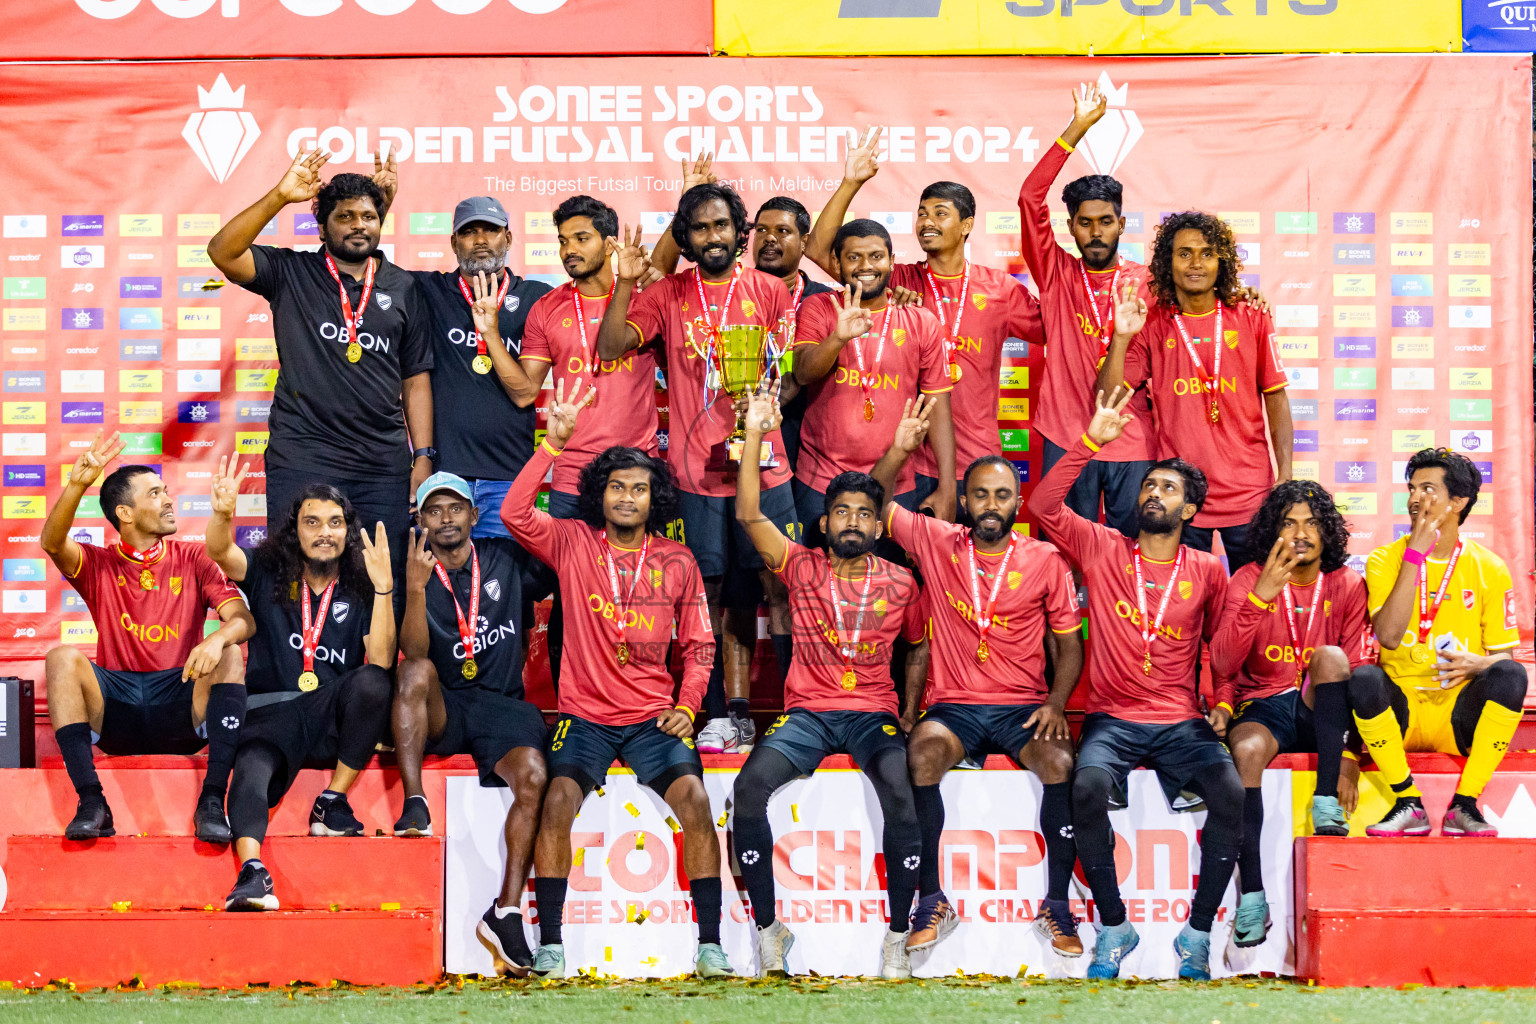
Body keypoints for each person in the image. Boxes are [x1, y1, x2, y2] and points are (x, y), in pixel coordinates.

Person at [501, 379, 734, 979]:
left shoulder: (677, 561)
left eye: (639, 489)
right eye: (617, 487)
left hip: (653, 717)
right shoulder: (573, 542)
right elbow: (513, 512)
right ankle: (550, 942)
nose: (627, 497)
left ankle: (711, 943)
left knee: (698, 803)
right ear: (599, 496)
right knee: (557, 802)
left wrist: (687, 704)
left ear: (654, 499)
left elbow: (701, 644)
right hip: (585, 718)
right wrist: (551, 448)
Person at [1028, 387, 1237, 981]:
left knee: (1229, 792)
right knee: (1086, 788)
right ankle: (1114, 927)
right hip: (1112, 719)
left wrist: (1221, 703)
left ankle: (1197, 933)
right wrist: (1089, 440)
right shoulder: (1101, 545)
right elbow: (1044, 504)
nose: (1153, 493)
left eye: (1168, 488)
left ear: (1190, 511)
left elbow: (1219, 651)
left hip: (1180, 721)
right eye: (1149, 485)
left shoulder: (1205, 570)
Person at [867, 396, 1087, 959]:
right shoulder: (938, 542)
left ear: (1018, 503)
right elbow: (875, 501)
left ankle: (1058, 907)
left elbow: (1068, 644)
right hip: (956, 706)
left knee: (1061, 761)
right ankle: (932, 900)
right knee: (922, 753)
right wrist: (898, 450)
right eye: (981, 495)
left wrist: (1057, 703)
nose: (991, 505)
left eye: (1002, 496)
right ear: (963, 500)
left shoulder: (1044, 559)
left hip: (1023, 708)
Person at [730, 384, 928, 979]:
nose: (852, 521)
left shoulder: (902, 582)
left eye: (865, 513)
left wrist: (911, 711)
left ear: (878, 526)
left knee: (902, 792)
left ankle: (898, 934)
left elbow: (916, 648)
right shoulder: (801, 563)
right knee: (746, 793)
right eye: (842, 511)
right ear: (825, 521)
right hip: (809, 715)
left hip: (872, 714)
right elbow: (747, 513)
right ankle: (770, 931)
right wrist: (758, 435)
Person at [595, 182, 800, 758]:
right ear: (686, 238)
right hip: (693, 474)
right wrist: (629, 283)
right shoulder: (667, 294)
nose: (713, 237)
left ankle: (794, 713)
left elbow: (790, 374)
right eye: (701, 228)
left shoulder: (772, 291)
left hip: (768, 468)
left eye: (722, 226)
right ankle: (714, 712)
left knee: (779, 586)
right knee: (705, 595)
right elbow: (611, 347)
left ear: (741, 232)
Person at [207, 148, 432, 572]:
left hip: (381, 464)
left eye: (368, 216)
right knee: (292, 578)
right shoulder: (291, 273)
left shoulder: (403, 287)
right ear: (323, 226)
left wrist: (423, 456)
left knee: (382, 583)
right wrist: (279, 196)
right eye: (345, 217)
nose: (358, 225)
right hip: (304, 455)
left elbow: (415, 378)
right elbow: (222, 251)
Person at [805, 128, 1041, 517]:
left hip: (975, 461)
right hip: (910, 463)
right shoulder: (895, 281)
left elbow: (1059, 333)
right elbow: (818, 249)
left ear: (966, 226)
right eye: (921, 213)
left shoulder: (1001, 289)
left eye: (940, 213)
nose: (926, 221)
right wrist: (851, 183)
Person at [40, 431, 254, 842]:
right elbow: (51, 542)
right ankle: (91, 801)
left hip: (181, 703)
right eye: (155, 494)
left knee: (229, 653)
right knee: (62, 657)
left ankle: (212, 801)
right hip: (117, 712)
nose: (168, 499)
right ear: (125, 512)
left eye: (166, 491)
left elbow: (243, 619)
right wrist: (77, 485)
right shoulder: (98, 563)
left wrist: (216, 638)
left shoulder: (195, 556)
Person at [206, 464, 396, 911]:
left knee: (372, 680)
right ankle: (252, 873)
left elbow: (383, 661)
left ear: (348, 531)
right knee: (250, 769)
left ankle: (332, 802)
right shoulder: (268, 569)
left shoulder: (362, 584)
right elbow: (222, 552)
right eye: (312, 522)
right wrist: (221, 514)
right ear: (295, 530)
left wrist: (385, 589)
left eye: (335, 523)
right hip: (270, 714)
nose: (324, 532)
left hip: (328, 716)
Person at [390, 473, 549, 975]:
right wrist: (415, 589)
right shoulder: (411, 572)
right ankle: (414, 802)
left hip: (503, 705)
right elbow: (414, 653)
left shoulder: (505, 559)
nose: (446, 519)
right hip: (447, 706)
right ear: (420, 522)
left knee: (534, 777)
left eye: (455, 508)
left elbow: (562, 560)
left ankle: (505, 911)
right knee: (414, 671)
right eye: (433, 511)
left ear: (474, 516)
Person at [1208, 480, 1368, 949]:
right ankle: (1253, 894)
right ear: (1273, 532)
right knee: (1246, 749)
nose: (1301, 533)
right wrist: (1260, 596)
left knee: (1333, 658)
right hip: (1265, 702)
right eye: (1289, 523)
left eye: (1312, 523)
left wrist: (1349, 756)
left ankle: (1325, 803)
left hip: (1322, 704)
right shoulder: (1248, 578)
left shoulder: (1346, 583)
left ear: (1328, 533)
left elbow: (1359, 673)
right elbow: (1221, 663)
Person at [1098, 213, 1291, 573]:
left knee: (1255, 602)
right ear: (1167, 262)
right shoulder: (1152, 322)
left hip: (1248, 492)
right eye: (1184, 253)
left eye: (1207, 253)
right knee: (1184, 609)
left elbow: (1276, 399)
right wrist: (1121, 338)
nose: (1196, 263)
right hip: (1181, 495)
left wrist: (1285, 474)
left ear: (1223, 262)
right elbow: (1108, 397)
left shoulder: (1251, 315)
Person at [1346, 448, 1525, 838]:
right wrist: (1415, 555)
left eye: (1428, 489)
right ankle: (1407, 801)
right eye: (1411, 488)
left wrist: (1478, 664)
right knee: (1363, 680)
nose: (1414, 498)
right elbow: (1389, 638)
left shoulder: (1490, 568)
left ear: (1458, 501)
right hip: (1403, 709)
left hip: (1456, 713)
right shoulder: (1383, 560)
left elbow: (1504, 657)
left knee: (1511, 674)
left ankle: (1465, 805)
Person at [1020, 83, 1156, 536]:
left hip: (1132, 440)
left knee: (1131, 557)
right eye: (1084, 222)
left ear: (1121, 222)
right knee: (1062, 555)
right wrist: (1076, 129)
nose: (1095, 232)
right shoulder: (1055, 272)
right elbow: (1029, 199)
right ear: (1071, 227)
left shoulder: (1149, 281)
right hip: (1064, 434)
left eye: (1105, 221)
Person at [792, 218, 956, 547]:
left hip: (897, 478)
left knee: (891, 584)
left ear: (892, 261)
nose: (866, 266)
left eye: (876, 256)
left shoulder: (920, 320)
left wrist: (948, 487)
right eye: (853, 257)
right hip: (820, 477)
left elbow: (938, 409)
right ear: (836, 262)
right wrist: (838, 337)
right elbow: (803, 373)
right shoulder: (818, 307)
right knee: (818, 581)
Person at [408, 195, 551, 534]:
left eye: (491, 230)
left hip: (508, 478)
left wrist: (492, 334)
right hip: (443, 478)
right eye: (470, 231)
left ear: (509, 238)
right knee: (441, 583)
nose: (481, 240)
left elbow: (525, 394)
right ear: (454, 242)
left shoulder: (537, 298)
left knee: (500, 583)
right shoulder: (428, 290)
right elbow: (362, 262)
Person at [751, 195, 838, 686]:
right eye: (761, 230)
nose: (770, 239)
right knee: (743, 587)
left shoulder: (826, 300)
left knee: (798, 584)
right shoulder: (725, 292)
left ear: (805, 242)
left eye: (783, 231)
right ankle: (732, 711)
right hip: (739, 459)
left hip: (806, 465)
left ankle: (805, 699)